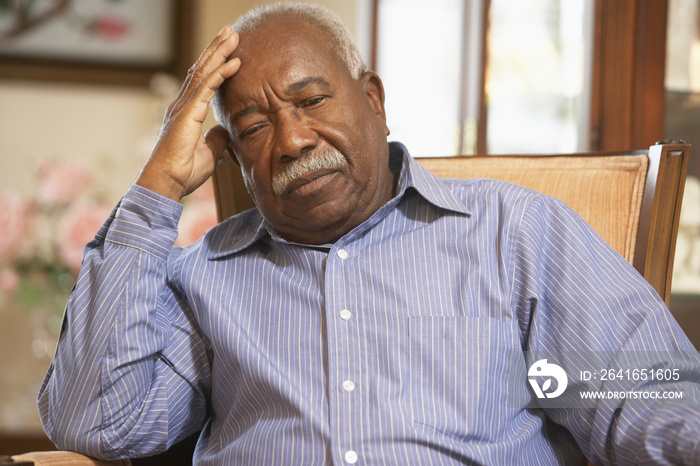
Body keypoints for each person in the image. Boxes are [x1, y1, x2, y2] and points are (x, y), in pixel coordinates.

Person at [38, 3, 700, 465]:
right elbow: (97, 424)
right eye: (255, 128)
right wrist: (155, 189)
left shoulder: (515, 237)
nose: (293, 140)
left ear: (374, 100)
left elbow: (648, 404)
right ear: (233, 156)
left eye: (312, 99)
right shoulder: (203, 278)